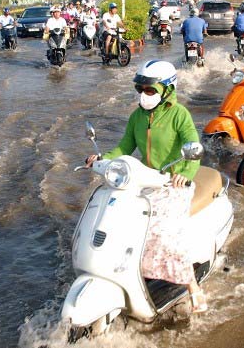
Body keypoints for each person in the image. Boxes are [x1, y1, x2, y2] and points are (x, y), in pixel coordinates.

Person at [84, 60, 207, 313]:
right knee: (116, 218)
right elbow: (124, 147)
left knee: (163, 233)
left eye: (150, 90)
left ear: (167, 90)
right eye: (140, 89)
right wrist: (103, 158)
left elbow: (193, 147)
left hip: (173, 183)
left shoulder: (179, 114)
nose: (144, 95)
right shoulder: (137, 116)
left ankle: (193, 286)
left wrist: (184, 174)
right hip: (144, 178)